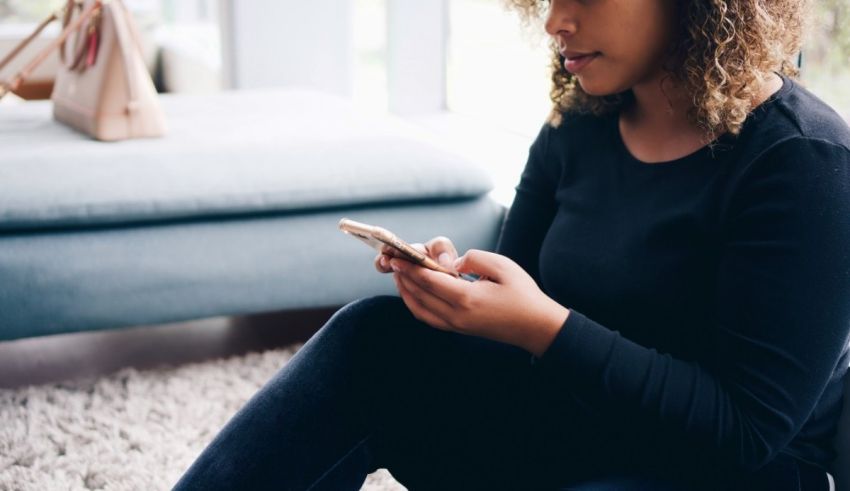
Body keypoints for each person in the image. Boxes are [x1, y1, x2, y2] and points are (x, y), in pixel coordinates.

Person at [173, 0, 850, 489]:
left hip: (715, 472)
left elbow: (747, 431)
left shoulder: (803, 161)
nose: (556, 19)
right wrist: (459, 292)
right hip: (571, 424)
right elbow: (519, 296)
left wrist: (543, 327)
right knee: (370, 341)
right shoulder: (581, 121)